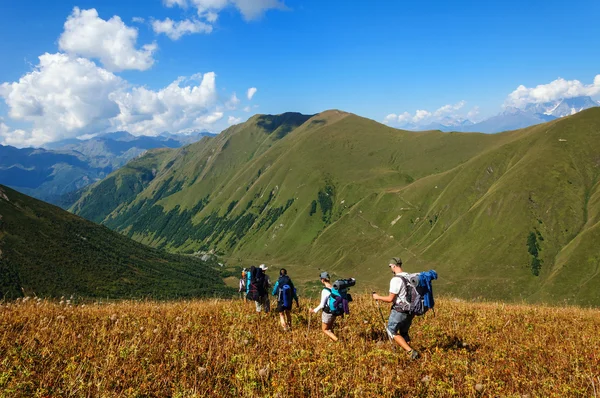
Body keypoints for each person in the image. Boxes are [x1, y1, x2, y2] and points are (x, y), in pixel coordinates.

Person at [372, 257, 420, 359]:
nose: (390, 269)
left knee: (391, 331)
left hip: (400, 310)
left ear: (393, 266)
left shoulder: (396, 280)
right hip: (411, 310)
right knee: (404, 332)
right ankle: (409, 352)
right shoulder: (409, 276)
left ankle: (411, 352)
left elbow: (390, 299)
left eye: (390, 266)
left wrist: (377, 297)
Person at [310, 271, 338, 341]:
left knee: (324, 329)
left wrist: (314, 310)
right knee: (330, 328)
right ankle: (333, 343)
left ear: (322, 280)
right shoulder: (334, 288)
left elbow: (322, 305)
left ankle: (337, 340)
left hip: (327, 312)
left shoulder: (325, 291)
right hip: (334, 311)